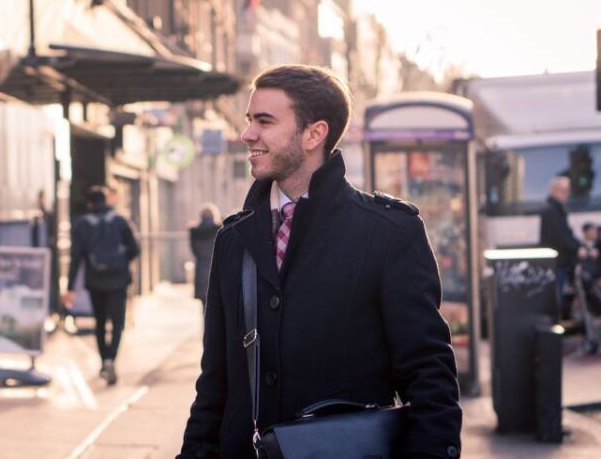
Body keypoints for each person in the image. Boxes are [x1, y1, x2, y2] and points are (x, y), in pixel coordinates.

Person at [179, 65, 461, 459]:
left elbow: (428, 374)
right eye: (249, 120)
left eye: (265, 121)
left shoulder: (388, 232)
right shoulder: (233, 241)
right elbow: (215, 384)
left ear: (314, 134)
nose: (247, 134)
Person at [65, 186, 140, 385]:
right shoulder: (120, 221)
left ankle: (103, 359)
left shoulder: (82, 224)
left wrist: (70, 288)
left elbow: (76, 258)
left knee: (99, 322)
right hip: (118, 280)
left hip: (95, 280)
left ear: (90, 203)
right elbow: (135, 249)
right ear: (107, 201)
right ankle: (110, 359)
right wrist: (121, 262)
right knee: (117, 323)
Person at [539, 176, 587, 320]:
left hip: (561, 259)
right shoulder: (551, 210)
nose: (566, 194)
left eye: (567, 190)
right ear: (553, 190)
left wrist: (580, 245)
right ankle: (555, 322)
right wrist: (577, 248)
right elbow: (559, 236)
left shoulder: (557, 208)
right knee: (556, 294)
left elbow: (567, 233)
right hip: (557, 260)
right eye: (563, 190)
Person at [189, 203, 221, 308]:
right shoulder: (220, 230)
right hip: (216, 270)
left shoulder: (194, 231)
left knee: (204, 304)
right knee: (217, 304)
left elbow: (194, 250)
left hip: (201, 269)